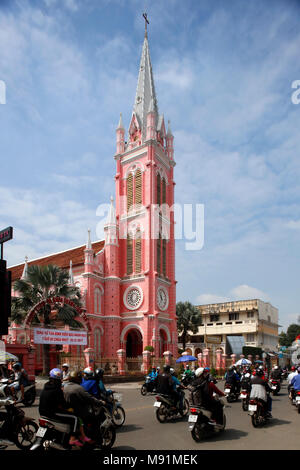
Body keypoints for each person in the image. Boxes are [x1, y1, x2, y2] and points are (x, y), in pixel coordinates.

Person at [39, 368, 80, 447]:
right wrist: (70, 407)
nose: (60, 382)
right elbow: (63, 404)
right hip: (52, 413)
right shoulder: (57, 390)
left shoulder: (45, 387)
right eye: (59, 380)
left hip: (42, 412)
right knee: (75, 418)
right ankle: (72, 438)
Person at [63, 370, 105, 446]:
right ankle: (97, 443)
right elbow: (90, 398)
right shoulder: (79, 388)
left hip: (69, 411)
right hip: (79, 412)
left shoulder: (65, 387)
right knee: (95, 421)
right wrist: (100, 402)